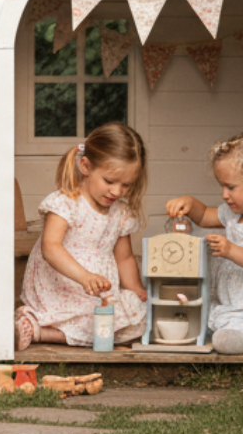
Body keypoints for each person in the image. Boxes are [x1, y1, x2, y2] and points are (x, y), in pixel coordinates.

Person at [16, 122, 148, 350]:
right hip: (59, 285)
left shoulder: (121, 213)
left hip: (96, 293)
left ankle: (41, 332)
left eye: (126, 185)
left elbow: (124, 257)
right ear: (86, 166)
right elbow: (51, 247)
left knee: (134, 318)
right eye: (109, 181)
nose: (117, 191)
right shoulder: (66, 202)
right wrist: (84, 277)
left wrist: (134, 287)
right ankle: (37, 326)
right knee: (98, 321)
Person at [166, 131, 243, 354]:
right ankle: (237, 335)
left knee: (222, 340)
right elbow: (203, 215)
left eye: (230, 187)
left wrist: (231, 250)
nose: (224, 194)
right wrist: (189, 203)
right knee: (195, 315)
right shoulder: (234, 214)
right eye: (221, 186)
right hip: (232, 306)